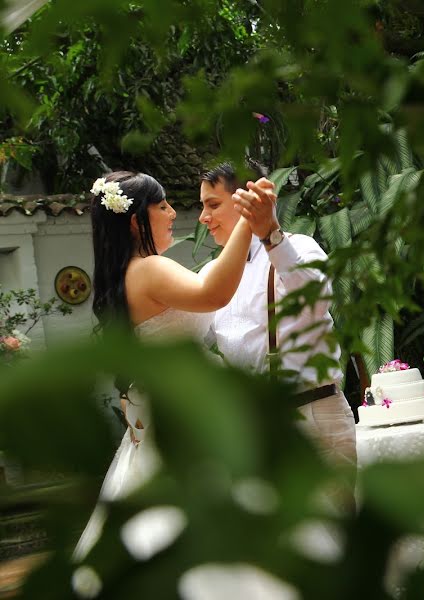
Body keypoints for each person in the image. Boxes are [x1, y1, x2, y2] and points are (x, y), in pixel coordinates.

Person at [74, 170, 274, 561]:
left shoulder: (127, 275)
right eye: (162, 205)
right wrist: (250, 221)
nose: (172, 214)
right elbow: (213, 292)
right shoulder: (149, 269)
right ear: (136, 221)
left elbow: (208, 277)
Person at [198, 163, 357, 511]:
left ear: (246, 200)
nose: (202, 218)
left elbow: (317, 300)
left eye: (212, 205)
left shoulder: (299, 246)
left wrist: (272, 237)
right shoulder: (212, 275)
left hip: (315, 414)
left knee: (337, 535)